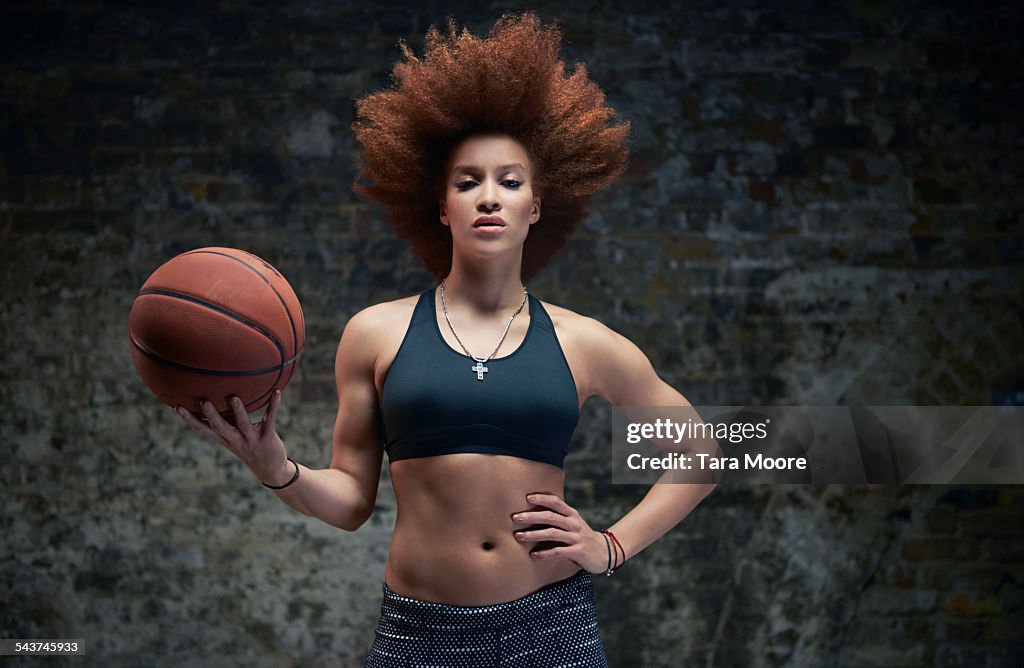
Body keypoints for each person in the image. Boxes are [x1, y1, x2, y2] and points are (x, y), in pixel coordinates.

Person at [177, 13, 716, 667]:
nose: (489, 197)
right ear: (440, 207)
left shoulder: (587, 342)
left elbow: (703, 453)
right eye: (467, 182)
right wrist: (278, 473)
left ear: (537, 207)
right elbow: (351, 502)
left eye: (510, 182)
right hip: (419, 633)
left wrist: (610, 545)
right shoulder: (376, 332)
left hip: (552, 628)